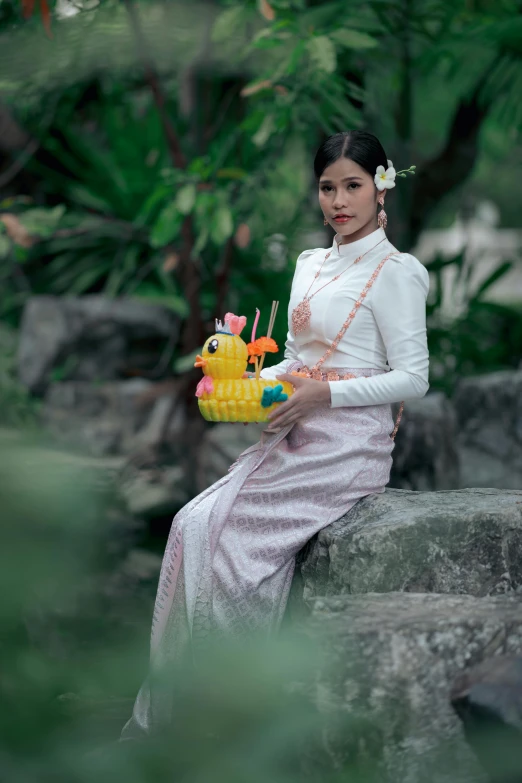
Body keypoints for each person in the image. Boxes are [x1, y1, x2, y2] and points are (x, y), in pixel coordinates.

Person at [121, 130, 429, 738]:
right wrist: (247, 378)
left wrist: (325, 393)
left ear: (380, 187)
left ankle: (231, 711)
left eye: (353, 185)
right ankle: (183, 705)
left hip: (348, 444)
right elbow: (295, 356)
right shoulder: (310, 263)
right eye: (327, 187)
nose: (339, 200)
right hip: (297, 425)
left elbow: (413, 379)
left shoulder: (399, 273)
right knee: (190, 524)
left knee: (229, 544)